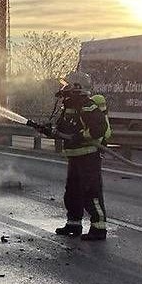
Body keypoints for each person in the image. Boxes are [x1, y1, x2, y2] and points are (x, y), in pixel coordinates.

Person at [36, 71, 110, 241]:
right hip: (75, 156)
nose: (64, 88)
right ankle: (73, 224)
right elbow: (63, 129)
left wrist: (81, 136)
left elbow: (99, 129)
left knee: (91, 192)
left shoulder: (87, 106)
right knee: (72, 192)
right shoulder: (69, 107)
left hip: (89, 157)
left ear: (77, 86)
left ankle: (99, 228)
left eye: (67, 84)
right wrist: (49, 130)